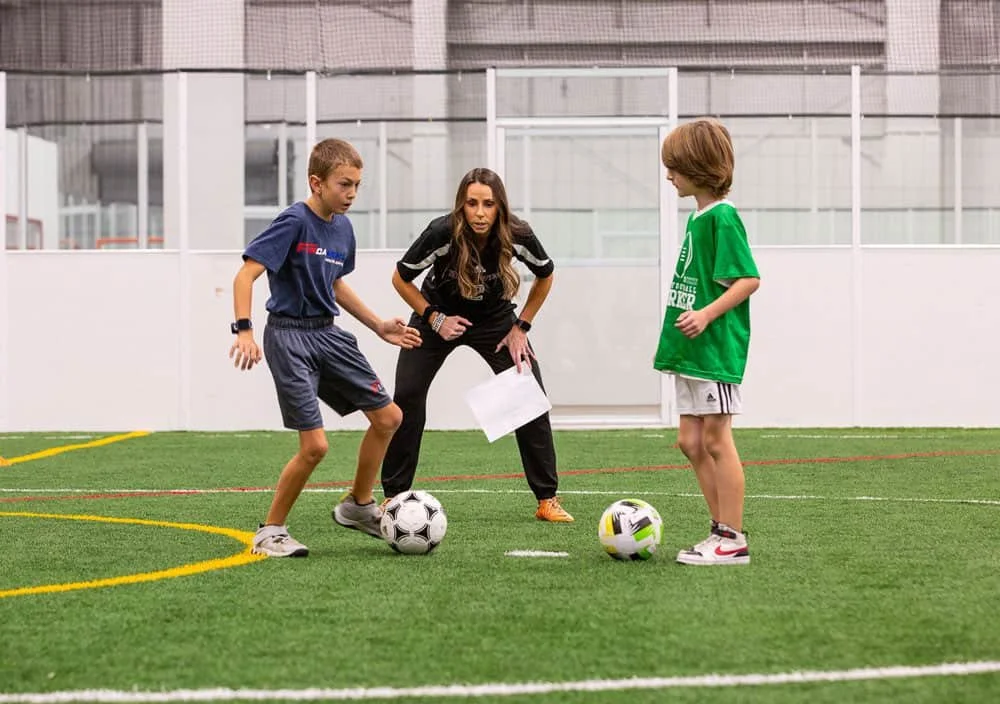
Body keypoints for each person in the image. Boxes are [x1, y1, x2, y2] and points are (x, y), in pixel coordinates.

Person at [229, 138, 422, 558]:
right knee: (315, 446)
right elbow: (245, 276)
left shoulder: (343, 227)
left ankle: (357, 505)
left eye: (357, 185)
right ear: (317, 182)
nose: (351, 194)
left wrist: (377, 325)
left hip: (327, 334)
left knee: (389, 417)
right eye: (344, 184)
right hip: (289, 337)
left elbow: (334, 284)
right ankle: (270, 531)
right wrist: (243, 330)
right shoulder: (293, 222)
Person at [379, 167, 574, 522]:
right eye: (472, 203)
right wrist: (435, 318)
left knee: (529, 393)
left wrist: (521, 327)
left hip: (495, 320)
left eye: (488, 204)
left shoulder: (517, 233)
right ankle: (393, 496)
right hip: (437, 314)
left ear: (500, 207)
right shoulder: (441, 232)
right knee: (407, 396)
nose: (480, 212)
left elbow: (546, 274)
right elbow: (400, 278)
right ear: (461, 205)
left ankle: (547, 499)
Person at [654, 119, 760, 566]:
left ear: (697, 167)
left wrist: (706, 314)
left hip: (714, 349)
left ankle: (732, 538)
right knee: (690, 442)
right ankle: (719, 530)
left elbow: (748, 280)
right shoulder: (699, 218)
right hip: (692, 352)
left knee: (717, 439)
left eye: (674, 167)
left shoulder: (723, 217)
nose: (668, 176)